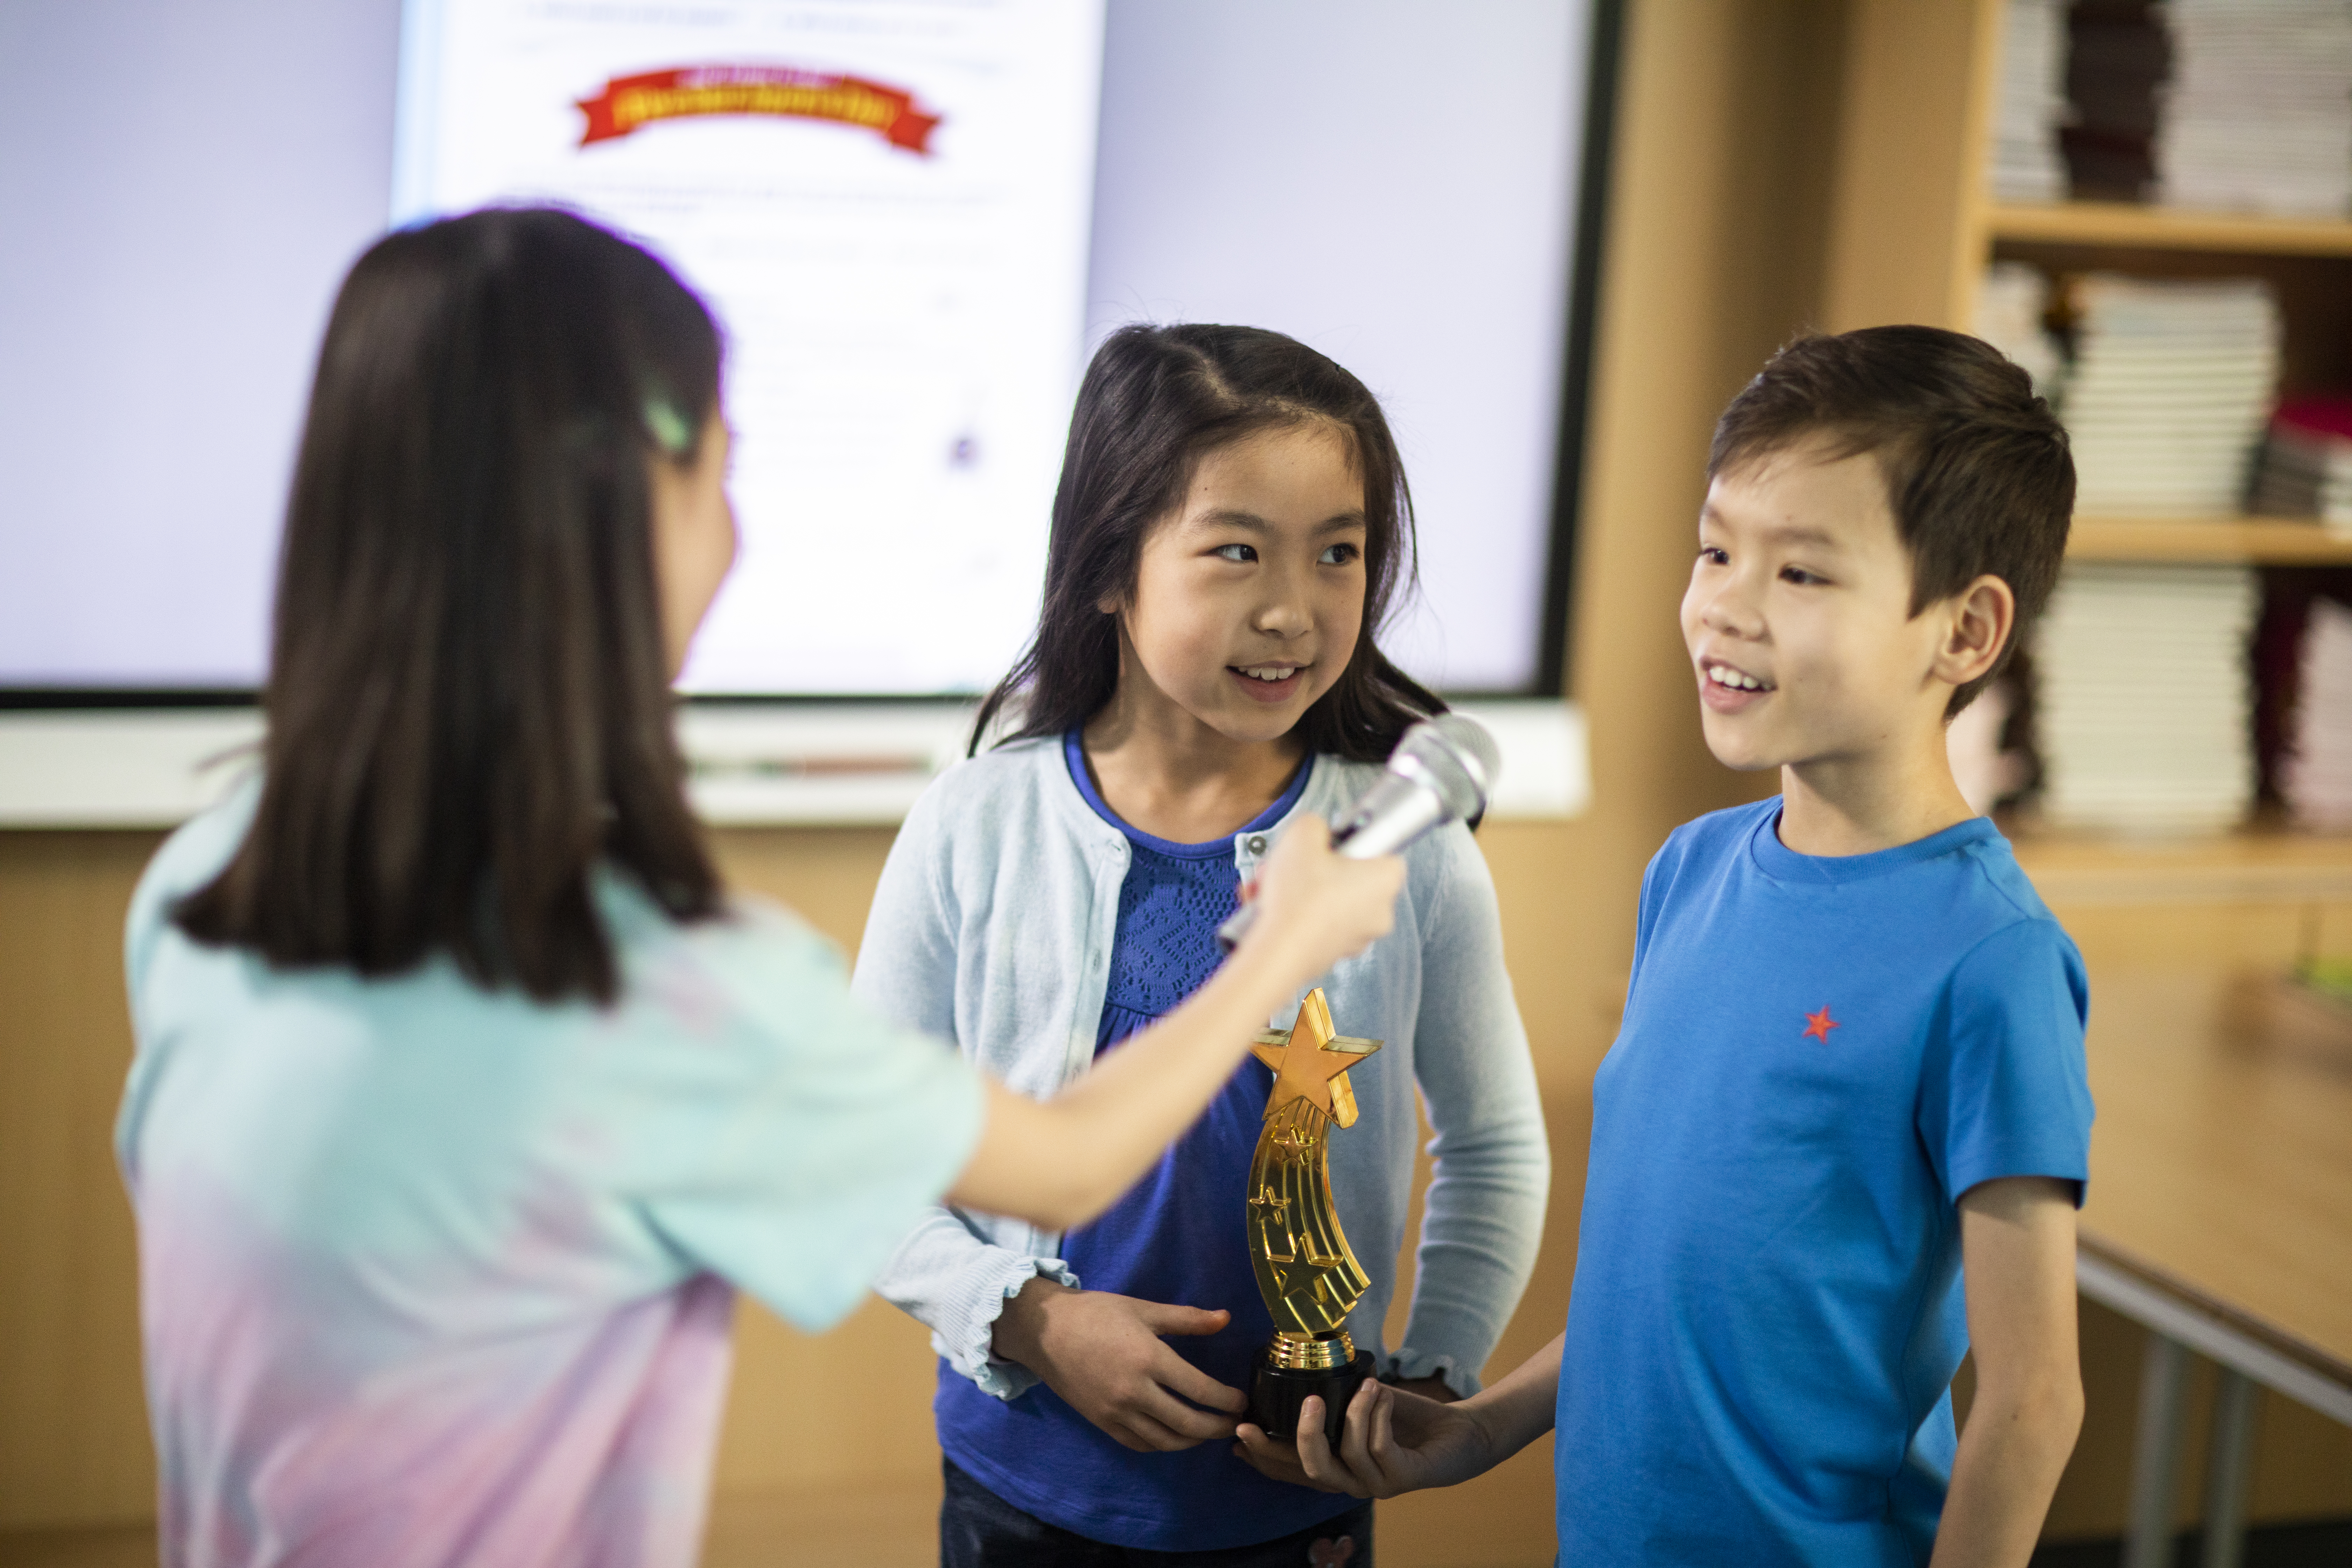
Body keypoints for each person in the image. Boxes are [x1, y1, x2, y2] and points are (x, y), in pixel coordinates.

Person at [115, 210, 1405, 1568]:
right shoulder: (658, 990)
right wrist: (1283, 951)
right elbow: (1066, 1158)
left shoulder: (211, 879)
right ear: (632, 504)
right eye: (722, 467)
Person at [1239, 326, 2096, 1568]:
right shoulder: (1690, 872)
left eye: (1801, 575)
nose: (1725, 609)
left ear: (1964, 634)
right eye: (1715, 550)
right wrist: (1487, 1429)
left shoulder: (1991, 961)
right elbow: (1670, 1277)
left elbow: (2033, 1403)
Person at [855, 323, 1550, 1567]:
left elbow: (1492, 1149)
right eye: (1236, 551)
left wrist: (1431, 1374)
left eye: (1341, 553)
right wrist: (1027, 1322)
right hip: (1026, 1498)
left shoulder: (1411, 844)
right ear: (1111, 570)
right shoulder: (977, 825)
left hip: (1300, 1512)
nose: (1293, 609)